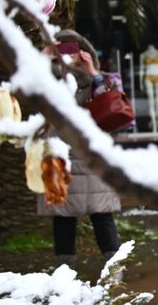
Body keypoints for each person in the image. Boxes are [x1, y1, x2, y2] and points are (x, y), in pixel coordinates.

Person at [39, 30, 122, 271]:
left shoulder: (104, 79)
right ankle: (64, 274)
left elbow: (115, 106)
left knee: (102, 215)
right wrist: (43, 58)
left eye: (73, 50)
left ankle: (114, 271)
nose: (68, 56)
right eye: (62, 51)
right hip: (59, 154)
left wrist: (92, 72)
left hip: (92, 155)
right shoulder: (50, 82)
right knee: (63, 218)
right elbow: (27, 86)